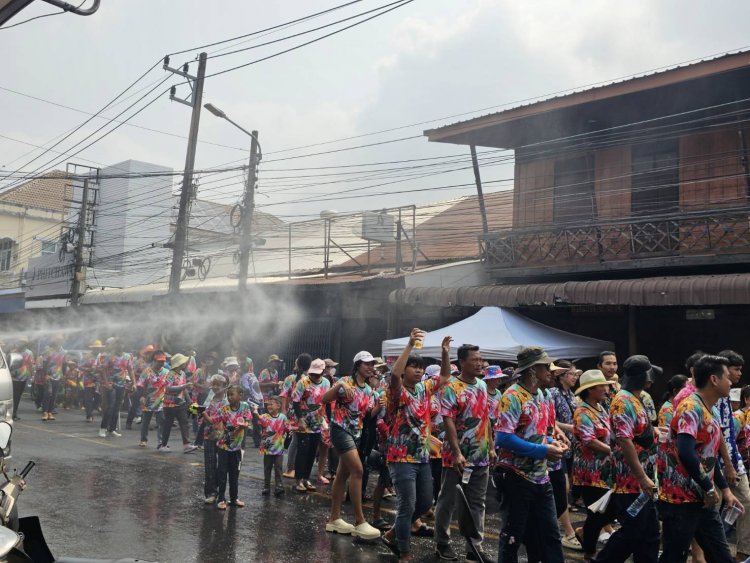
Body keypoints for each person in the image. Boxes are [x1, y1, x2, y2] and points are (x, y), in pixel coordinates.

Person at [658, 354, 743, 562]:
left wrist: (725, 491)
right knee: (673, 555)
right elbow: (686, 452)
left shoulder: (710, 408)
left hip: (703, 499)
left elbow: (709, 457)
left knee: (721, 556)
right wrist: (709, 487)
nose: (731, 382)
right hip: (681, 499)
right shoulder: (690, 407)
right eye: (727, 377)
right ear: (714, 380)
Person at [381, 330, 451, 561]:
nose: (419, 370)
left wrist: (444, 354)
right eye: (413, 366)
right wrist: (410, 345)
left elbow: (444, 377)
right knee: (407, 506)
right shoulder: (396, 392)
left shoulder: (424, 389)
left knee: (425, 501)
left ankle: (392, 534)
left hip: (421, 456)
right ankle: (404, 552)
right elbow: (394, 374)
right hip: (400, 457)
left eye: (420, 367)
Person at [495, 346, 566, 563]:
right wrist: (544, 450)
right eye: (546, 367)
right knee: (513, 536)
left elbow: (539, 434)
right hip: (516, 476)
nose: (551, 372)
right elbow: (504, 438)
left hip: (541, 477)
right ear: (533, 370)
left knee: (550, 535)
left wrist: (556, 443)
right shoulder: (512, 396)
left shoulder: (544, 396)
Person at [592, 355, 659, 563]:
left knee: (650, 534)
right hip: (631, 482)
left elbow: (636, 432)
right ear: (644, 378)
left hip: (642, 480)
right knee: (633, 532)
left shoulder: (634, 398)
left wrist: (656, 431)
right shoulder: (623, 401)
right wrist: (642, 477)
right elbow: (625, 440)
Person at [433, 343, 495, 563]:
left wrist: (492, 447)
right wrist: (457, 452)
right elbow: (448, 420)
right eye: (475, 359)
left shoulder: (481, 385)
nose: (480, 363)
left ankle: (474, 548)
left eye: (481, 359)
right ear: (462, 363)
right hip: (456, 457)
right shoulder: (451, 387)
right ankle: (442, 542)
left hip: (481, 456)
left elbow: (484, 417)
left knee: (478, 502)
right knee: (448, 500)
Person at [323, 351, 381, 541]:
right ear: (357, 365)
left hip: (355, 434)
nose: (371, 367)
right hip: (340, 430)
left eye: (372, 364)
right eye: (367, 364)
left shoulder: (369, 390)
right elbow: (324, 399)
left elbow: (366, 416)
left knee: (343, 474)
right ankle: (359, 520)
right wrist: (338, 384)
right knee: (358, 470)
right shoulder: (346, 382)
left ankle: (334, 518)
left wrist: (380, 405)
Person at [571, 370, 616, 562]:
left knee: (605, 512)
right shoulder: (582, 412)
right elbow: (589, 440)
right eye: (602, 386)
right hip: (589, 472)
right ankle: (589, 553)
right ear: (590, 390)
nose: (606, 389)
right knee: (597, 513)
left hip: (605, 470)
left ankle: (585, 534)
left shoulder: (600, 407)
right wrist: (614, 452)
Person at [717, 349, 750, 562]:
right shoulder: (713, 396)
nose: (739, 374)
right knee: (710, 512)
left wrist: (735, 462)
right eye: (736, 369)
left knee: (747, 502)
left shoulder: (727, 397)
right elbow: (718, 434)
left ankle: (743, 552)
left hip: (734, 461)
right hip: (717, 464)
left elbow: (729, 435)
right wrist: (728, 465)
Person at [547, 360, 582, 551]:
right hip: (556, 447)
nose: (575, 377)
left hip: (569, 448)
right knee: (562, 487)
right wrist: (569, 428)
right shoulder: (552, 394)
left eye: (576, 374)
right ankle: (567, 532)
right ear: (560, 375)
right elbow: (550, 420)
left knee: (563, 489)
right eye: (571, 374)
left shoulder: (571, 395)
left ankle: (557, 526)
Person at [203, 385, 251, 510]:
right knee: (222, 473)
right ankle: (221, 499)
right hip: (224, 446)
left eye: (232, 394)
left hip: (237, 448)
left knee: (235, 474)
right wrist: (204, 414)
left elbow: (247, 421)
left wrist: (243, 426)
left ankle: (234, 498)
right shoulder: (224, 409)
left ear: (240, 395)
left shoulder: (245, 406)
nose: (229, 397)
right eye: (228, 395)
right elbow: (213, 420)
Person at [291, 357, 330, 494]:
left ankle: (306, 478)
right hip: (304, 423)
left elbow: (328, 402)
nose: (314, 375)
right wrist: (300, 418)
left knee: (313, 452)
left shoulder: (326, 382)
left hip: (318, 422)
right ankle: (298, 480)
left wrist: (328, 420)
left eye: (318, 373)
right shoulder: (303, 382)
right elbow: (295, 401)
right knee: (303, 451)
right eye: (313, 373)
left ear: (323, 372)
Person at [280, 354, 312, 479]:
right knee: (297, 439)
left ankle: (293, 467)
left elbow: (284, 395)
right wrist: (283, 410)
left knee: (297, 440)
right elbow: (284, 395)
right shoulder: (308, 378)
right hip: (302, 413)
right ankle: (291, 468)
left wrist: (284, 409)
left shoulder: (292, 378)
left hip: (297, 412)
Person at [159, 353, 198, 453]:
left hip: (181, 403)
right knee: (168, 424)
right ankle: (163, 445)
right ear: (179, 363)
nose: (186, 363)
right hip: (169, 404)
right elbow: (168, 388)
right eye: (184, 361)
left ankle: (187, 445)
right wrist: (184, 386)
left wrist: (190, 402)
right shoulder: (170, 374)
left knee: (184, 423)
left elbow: (184, 390)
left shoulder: (183, 374)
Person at [252, 395, 288, 497]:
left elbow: (287, 427)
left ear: (278, 406)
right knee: (267, 468)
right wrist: (255, 411)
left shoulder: (282, 417)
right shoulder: (265, 416)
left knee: (278, 467)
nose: (269, 406)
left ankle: (279, 486)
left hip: (279, 448)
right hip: (267, 448)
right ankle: (266, 486)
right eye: (268, 404)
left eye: (271, 404)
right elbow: (259, 418)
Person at [201, 373, 227, 504]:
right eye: (214, 384)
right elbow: (203, 412)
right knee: (210, 464)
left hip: (223, 436)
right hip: (208, 435)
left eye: (218, 384)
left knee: (222, 465)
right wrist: (194, 410)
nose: (215, 387)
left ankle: (221, 494)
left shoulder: (228, 401)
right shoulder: (209, 397)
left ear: (225, 387)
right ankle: (211, 492)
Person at [99, 338, 133, 436]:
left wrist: (133, 383)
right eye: (118, 344)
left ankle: (112, 429)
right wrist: (106, 382)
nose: (120, 346)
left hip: (122, 385)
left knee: (117, 407)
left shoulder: (127, 356)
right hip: (111, 385)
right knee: (110, 406)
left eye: (121, 344)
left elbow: (130, 369)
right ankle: (103, 428)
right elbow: (103, 370)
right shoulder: (109, 356)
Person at [139, 350, 168, 447]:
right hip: (148, 400)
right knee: (146, 421)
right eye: (159, 361)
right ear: (154, 361)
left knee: (162, 421)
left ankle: (161, 441)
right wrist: (142, 396)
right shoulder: (147, 371)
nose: (161, 363)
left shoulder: (167, 372)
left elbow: (170, 385)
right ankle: (143, 439)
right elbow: (141, 385)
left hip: (161, 400)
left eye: (163, 361)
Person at [42, 335, 67, 422]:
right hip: (49, 375)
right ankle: (45, 412)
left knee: (54, 395)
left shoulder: (63, 352)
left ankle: (50, 412)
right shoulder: (48, 350)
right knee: (48, 393)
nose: (59, 342)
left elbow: (64, 364)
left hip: (58, 375)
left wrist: (64, 375)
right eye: (57, 341)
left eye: (60, 341)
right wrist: (45, 374)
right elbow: (44, 363)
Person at [10, 337, 34, 420]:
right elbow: (10, 365)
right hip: (15, 378)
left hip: (24, 378)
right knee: (14, 396)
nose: (22, 344)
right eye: (20, 342)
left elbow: (30, 365)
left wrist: (32, 375)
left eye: (23, 342)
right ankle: (12, 413)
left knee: (18, 396)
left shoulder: (29, 353)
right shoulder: (14, 352)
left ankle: (14, 413)